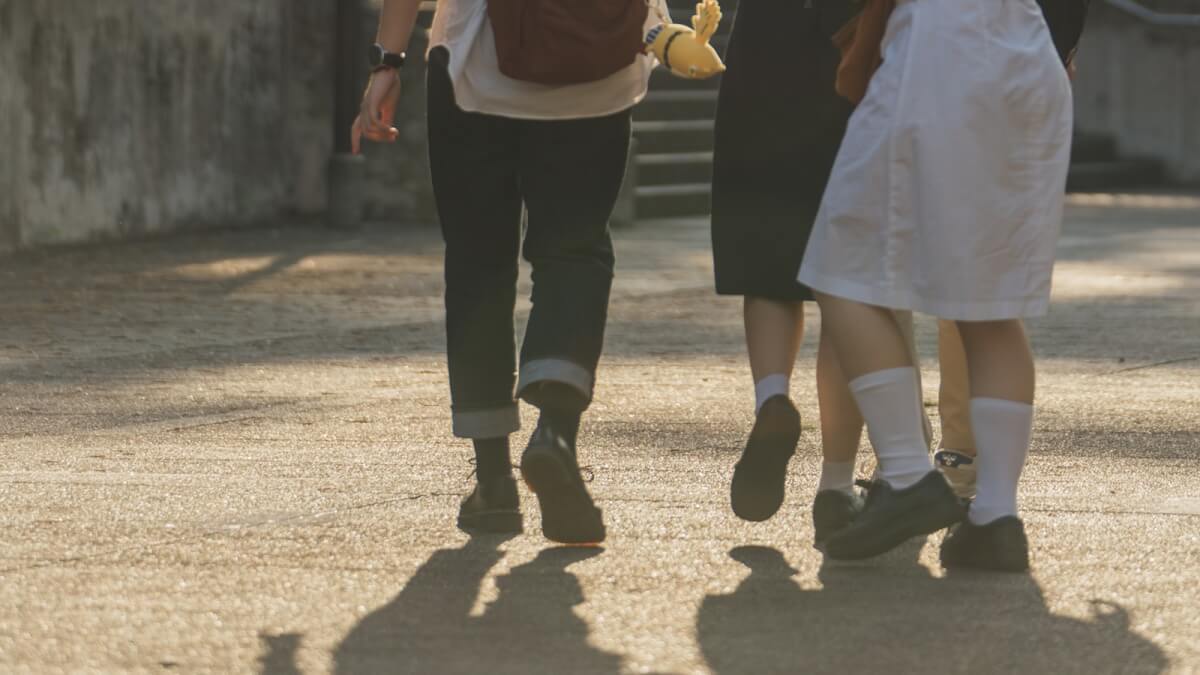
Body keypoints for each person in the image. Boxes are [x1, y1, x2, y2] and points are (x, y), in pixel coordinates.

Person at [352, 0, 668, 544]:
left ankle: (494, 482)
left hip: (474, 65)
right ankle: (555, 435)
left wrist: (387, 61)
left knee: (479, 262)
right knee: (575, 251)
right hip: (596, 69)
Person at [799, 0, 1075, 570]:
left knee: (842, 272)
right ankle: (996, 516)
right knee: (989, 302)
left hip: (939, 58)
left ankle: (905, 474)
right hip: (1027, 58)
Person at [711, 0, 970, 547]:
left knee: (767, 272)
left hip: (763, 49)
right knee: (844, 284)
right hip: (846, 46)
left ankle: (773, 398)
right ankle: (833, 485)